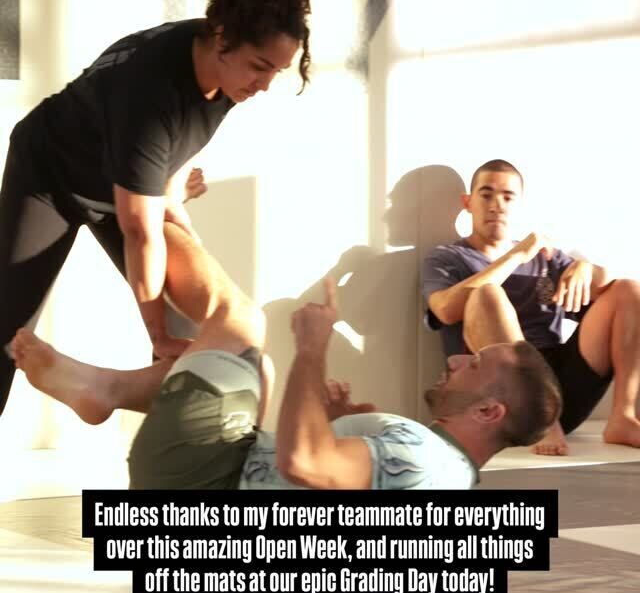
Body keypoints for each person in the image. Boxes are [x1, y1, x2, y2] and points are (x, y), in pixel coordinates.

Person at [0, 0, 311, 418]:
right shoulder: (150, 92)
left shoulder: (227, 72)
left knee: (209, 336)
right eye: (260, 67)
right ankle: (104, 388)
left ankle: (143, 428)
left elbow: (182, 139)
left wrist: (173, 200)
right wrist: (156, 334)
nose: (265, 84)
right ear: (224, 39)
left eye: (277, 70)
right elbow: (139, 230)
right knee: (8, 328)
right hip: (49, 177)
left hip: (123, 184)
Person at [12, 226, 562, 492]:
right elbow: (317, 481)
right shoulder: (444, 466)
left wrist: (312, 349)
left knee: (240, 320)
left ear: (488, 411)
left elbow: (304, 464)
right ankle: (105, 390)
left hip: (201, 486)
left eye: (474, 365)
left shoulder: (424, 462)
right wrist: (330, 418)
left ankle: (140, 200)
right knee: (258, 368)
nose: (458, 360)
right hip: (219, 477)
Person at [422, 158, 640, 455]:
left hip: (562, 391)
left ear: (518, 205)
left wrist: (586, 267)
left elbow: (611, 293)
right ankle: (542, 424)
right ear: (468, 203)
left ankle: (623, 417)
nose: (497, 205)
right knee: (486, 294)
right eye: (486, 194)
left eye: (507, 197)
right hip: (501, 398)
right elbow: (445, 310)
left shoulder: (545, 256)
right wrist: (515, 256)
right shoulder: (448, 257)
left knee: (629, 289)